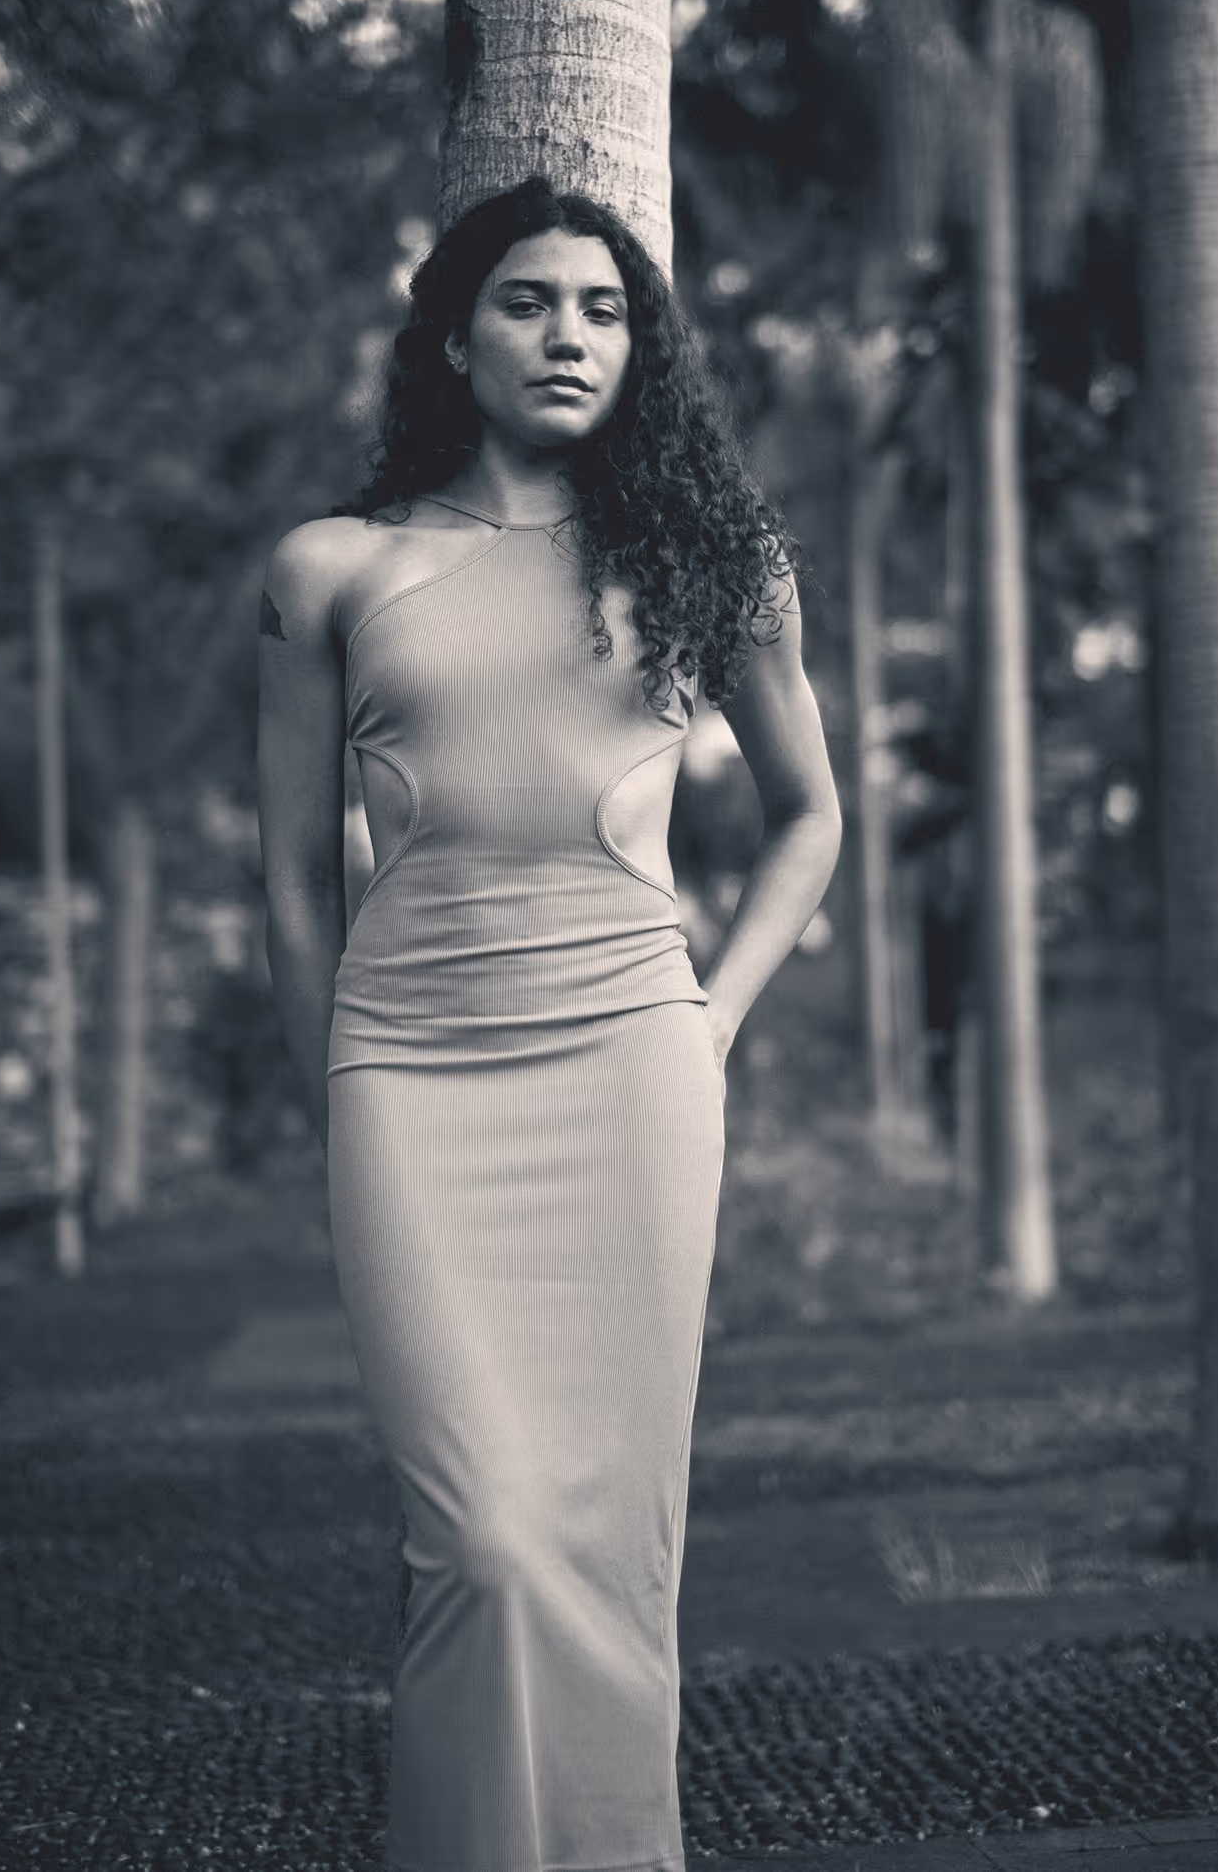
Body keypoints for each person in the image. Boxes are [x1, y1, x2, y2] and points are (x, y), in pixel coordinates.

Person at [256, 176, 841, 1872]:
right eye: (526, 302)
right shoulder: (330, 571)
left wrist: (707, 1019)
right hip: (408, 1084)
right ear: (453, 333)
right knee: (484, 1540)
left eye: (601, 309)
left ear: (639, 350)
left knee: (607, 1549)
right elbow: (294, 876)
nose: (567, 334)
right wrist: (338, 1094)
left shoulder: (710, 562)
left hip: (630, 1077)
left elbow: (812, 813)